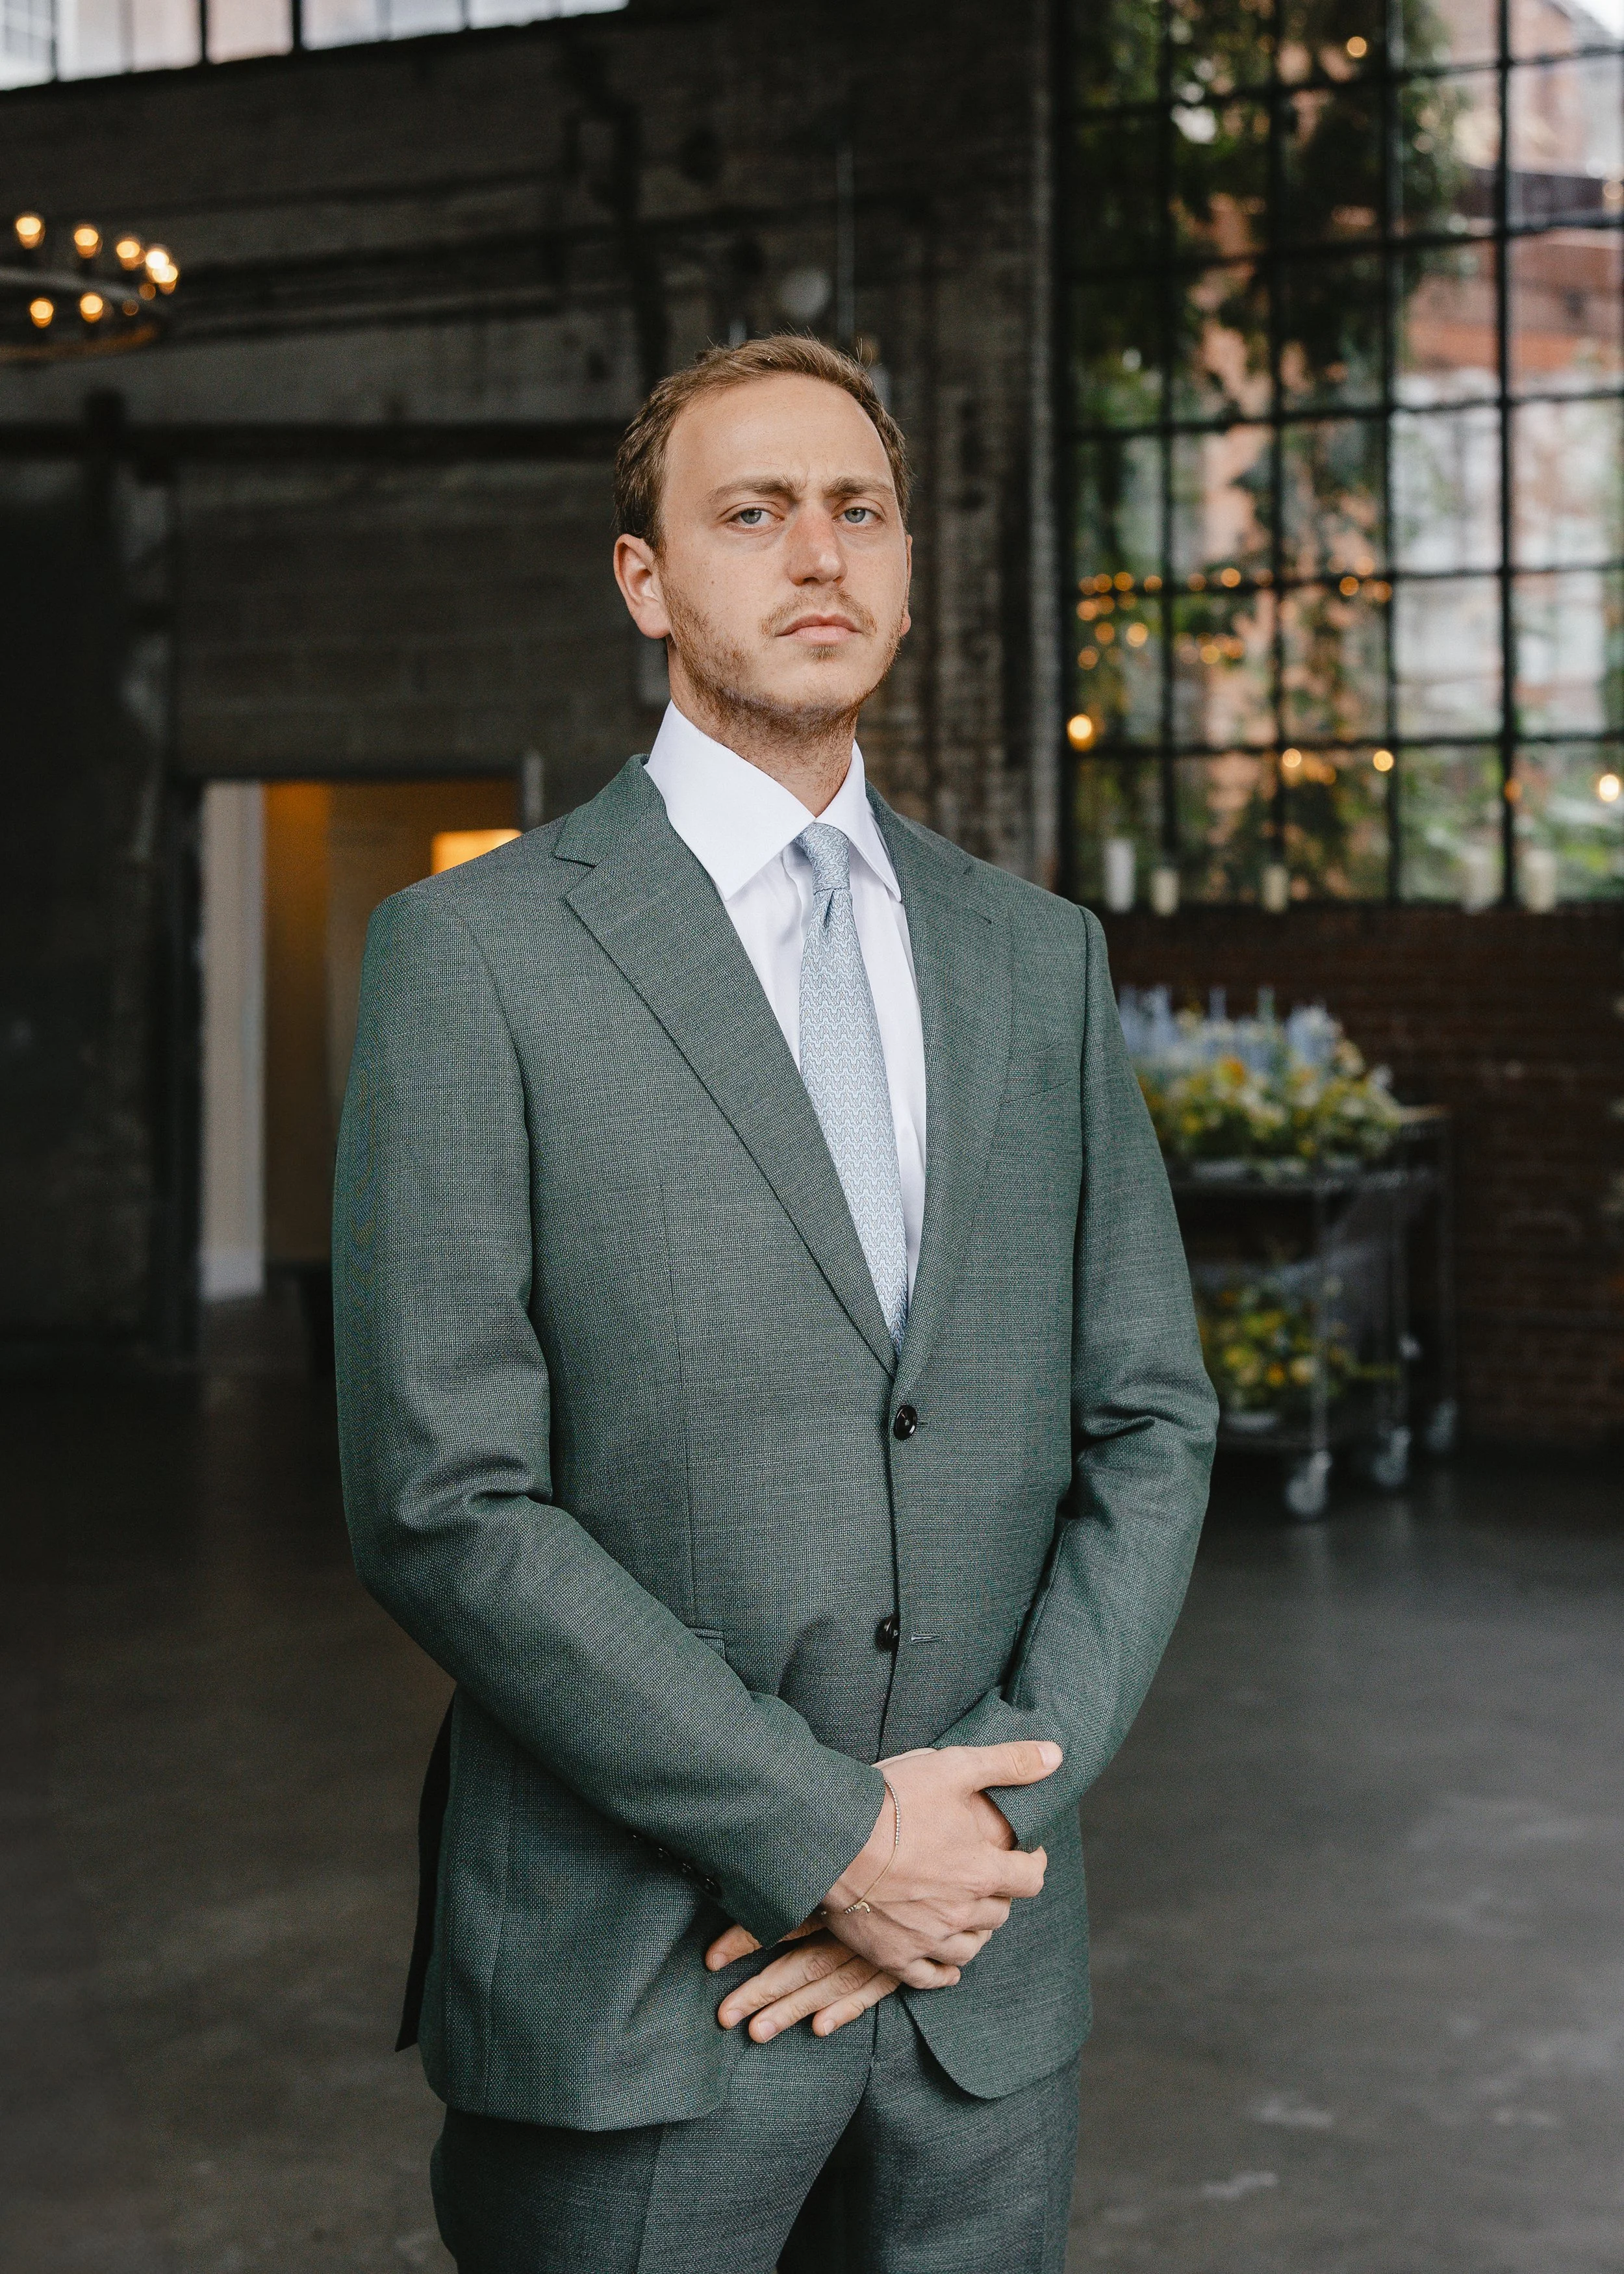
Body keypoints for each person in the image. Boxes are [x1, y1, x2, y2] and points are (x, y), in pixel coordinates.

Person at [333, 333, 1217, 2274]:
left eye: (857, 511)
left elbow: (1148, 1420)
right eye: (750, 513)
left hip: (979, 1996)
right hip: (637, 1998)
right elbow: (439, 1493)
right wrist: (824, 1832)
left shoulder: (1033, 956)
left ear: (904, 565)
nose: (815, 554)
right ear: (647, 578)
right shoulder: (477, 951)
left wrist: (968, 1836)